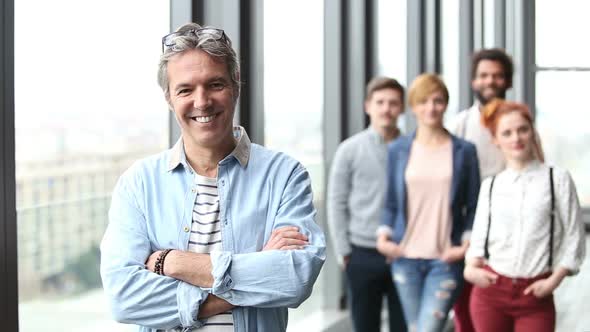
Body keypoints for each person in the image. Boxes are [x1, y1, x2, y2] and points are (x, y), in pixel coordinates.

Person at [100, 22, 326, 332]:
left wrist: (176, 263)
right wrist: (259, 268)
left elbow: (296, 278)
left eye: (215, 84)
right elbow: (124, 297)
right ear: (169, 98)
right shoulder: (138, 184)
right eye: (185, 89)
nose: (202, 101)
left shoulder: (285, 175)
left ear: (236, 86)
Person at [464, 99, 586, 332]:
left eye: (522, 130)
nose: (516, 138)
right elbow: (479, 239)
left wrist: (553, 281)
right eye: (507, 133)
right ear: (496, 141)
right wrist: (470, 268)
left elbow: (574, 238)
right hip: (490, 293)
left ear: (532, 132)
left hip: (535, 295)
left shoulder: (556, 179)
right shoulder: (491, 185)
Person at [377, 73, 480, 332]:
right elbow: (391, 201)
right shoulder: (398, 149)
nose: (431, 108)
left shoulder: (464, 151)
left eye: (438, 101)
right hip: (405, 257)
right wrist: (383, 238)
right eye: (423, 102)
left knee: (428, 328)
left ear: (446, 104)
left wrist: (465, 245)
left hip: (445, 259)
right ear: (413, 107)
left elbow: (474, 204)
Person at [449, 48, 543, 332]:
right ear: (473, 81)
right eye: (484, 76)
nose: (490, 82)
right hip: (471, 232)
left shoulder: (521, 125)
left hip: (515, 233)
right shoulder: (460, 125)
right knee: (468, 314)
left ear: (508, 81)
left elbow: (539, 174)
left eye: (497, 76)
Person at [327, 77, 407, 332]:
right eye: (380, 102)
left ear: (402, 107)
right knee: (364, 327)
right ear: (367, 106)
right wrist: (344, 252)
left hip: (404, 253)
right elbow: (336, 201)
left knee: (405, 327)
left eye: (393, 103)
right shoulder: (349, 150)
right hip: (361, 254)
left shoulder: (413, 149)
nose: (386, 109)